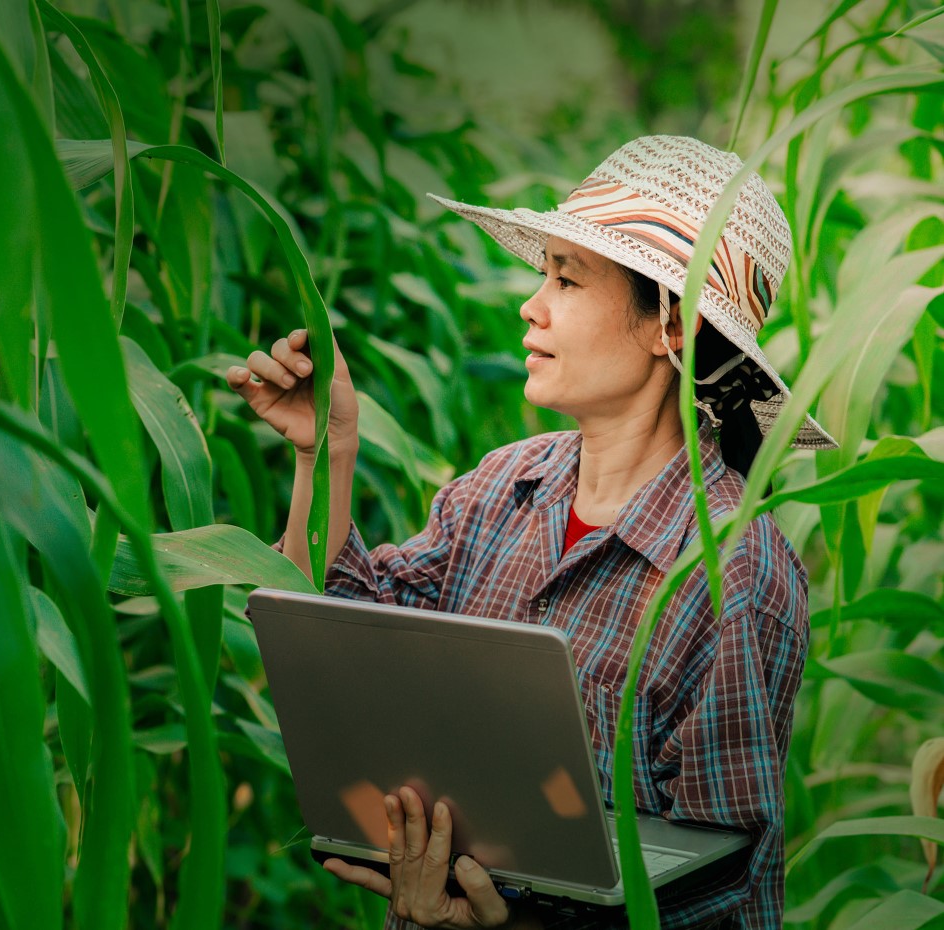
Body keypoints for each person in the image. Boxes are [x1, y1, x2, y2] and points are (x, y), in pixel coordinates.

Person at [226, 136, 836, 930]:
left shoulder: (734, 575)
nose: (531, 304)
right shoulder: (502, 488)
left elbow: (722, 893)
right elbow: (329, 645)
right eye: (540, 272)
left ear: (673, 324)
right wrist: (325, 452)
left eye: (567, 278)